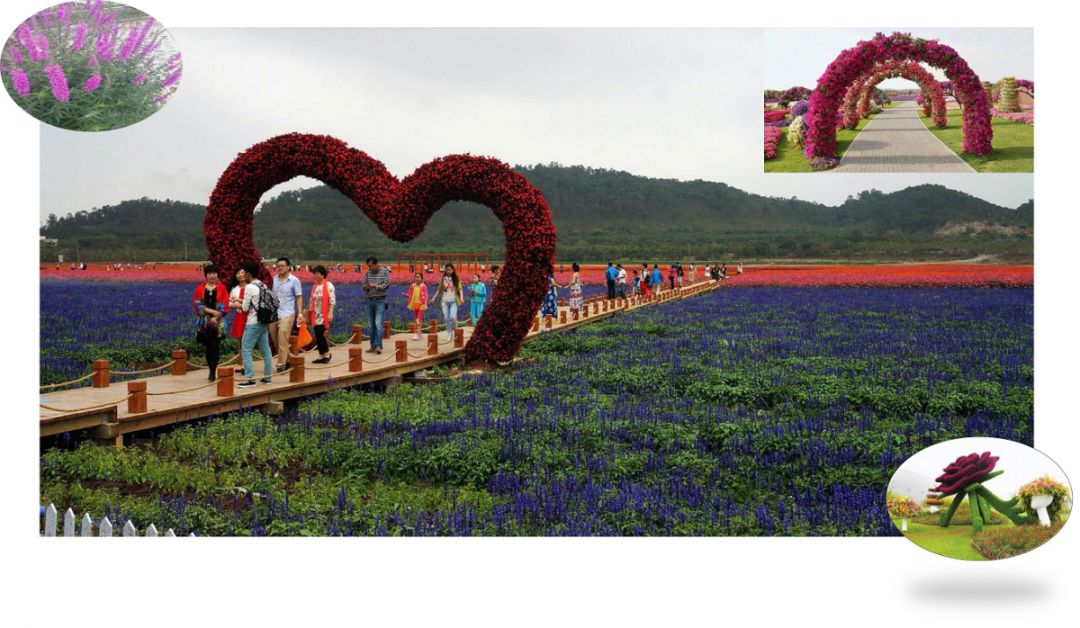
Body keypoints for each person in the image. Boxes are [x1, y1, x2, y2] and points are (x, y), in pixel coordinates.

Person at [231, 261, 273, 387]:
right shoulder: (262, 285)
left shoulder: (249, 287)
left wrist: (236, 303)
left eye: (245, 272)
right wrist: (241, 300)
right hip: (263, 322)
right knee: (266, 350)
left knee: (246, 350)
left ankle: (249, 379)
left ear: (248, 274)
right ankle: (267, 377)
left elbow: (245, 308)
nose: (243, 275)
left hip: (253, 322)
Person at [193, 264, 228, 382]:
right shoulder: (200, 288)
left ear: (217, 274)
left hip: (218, 322)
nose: (212, 275)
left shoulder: (222, 288)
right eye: (209, 273)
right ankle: (211, 369)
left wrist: (216, 317)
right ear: (206, 275)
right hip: (204, 322)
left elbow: (225, 305)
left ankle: (213, 372)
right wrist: (211, 312)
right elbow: (198, 305)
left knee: (215, 346)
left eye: (214, 273)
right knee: (208, 346)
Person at [270, 257, 303, 373]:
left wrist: (300, 314)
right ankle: (289, 359)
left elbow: (299, 297)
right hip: (274, 314)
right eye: (278, 266)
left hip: (287, 313)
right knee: (275, 339)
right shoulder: (274, 279)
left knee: (283, 337)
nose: (280, 268)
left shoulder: (294, 280)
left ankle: (281, 364)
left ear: (288, 267)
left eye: (282, 266)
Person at [307, 265, 336, 364]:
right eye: (314, 274)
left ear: (323, 275)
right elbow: (312, 299)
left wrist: (330, 313)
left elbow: (332, 300)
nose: (315, 276)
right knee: (317, 334)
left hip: (324, 314)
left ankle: (327, 353)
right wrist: (309, 307)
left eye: (317, 274)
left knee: (321, 334)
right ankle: (321, 355)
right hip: (315, 315)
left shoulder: (328, 285)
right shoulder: (315, 286)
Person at [362, 256, 391, 353]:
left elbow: (386, 285)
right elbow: (363, 285)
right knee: (371, 325)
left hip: (380, 300)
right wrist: (367, 287)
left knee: (378, 323)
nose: (370, 268)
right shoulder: (367, 273)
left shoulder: (384, 272)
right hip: (370, 300)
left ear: (376, 264)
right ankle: (372, 345)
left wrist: (375, 286)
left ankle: (379, 346)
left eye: (372, 266)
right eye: (369, 266)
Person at [431, 263, 463, 341]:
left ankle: (456, 331)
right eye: (447, 269)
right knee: (446, 318)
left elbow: (460, 289)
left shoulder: (456, 279)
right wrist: (433, 298)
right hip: (445, 301)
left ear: (453, 270)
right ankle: (449, 334)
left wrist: (461, 298)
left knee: (452, 317)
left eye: (450, 269)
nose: (448, 271)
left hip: (453, 301)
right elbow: (439, 289)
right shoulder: (443, 279)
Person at [406, 272, 428, 340]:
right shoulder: (412, 286)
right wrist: (407, 296)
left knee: (418, 318)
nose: (417, 278)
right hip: (414, 304)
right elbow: (409, 293)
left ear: (422, 279)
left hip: (421, 304)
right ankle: (420, 333)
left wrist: (425, 304)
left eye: (418, 277)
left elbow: (426, 295)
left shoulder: (423, 286)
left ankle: (417, 334)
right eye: (416, 277)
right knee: (417, 319)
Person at [229, 267, 249, 342]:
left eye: (242, 273)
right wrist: (237, 305)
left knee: (248, 336)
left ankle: (247, 353)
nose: (240, 275)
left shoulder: (251, 287)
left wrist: (239, 303)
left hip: (250, 315)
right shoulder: (234, 289)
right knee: (239, 335)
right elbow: (230, 303)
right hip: (240, 315)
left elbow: (253, 302)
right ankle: (240, 352)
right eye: (238, 273)